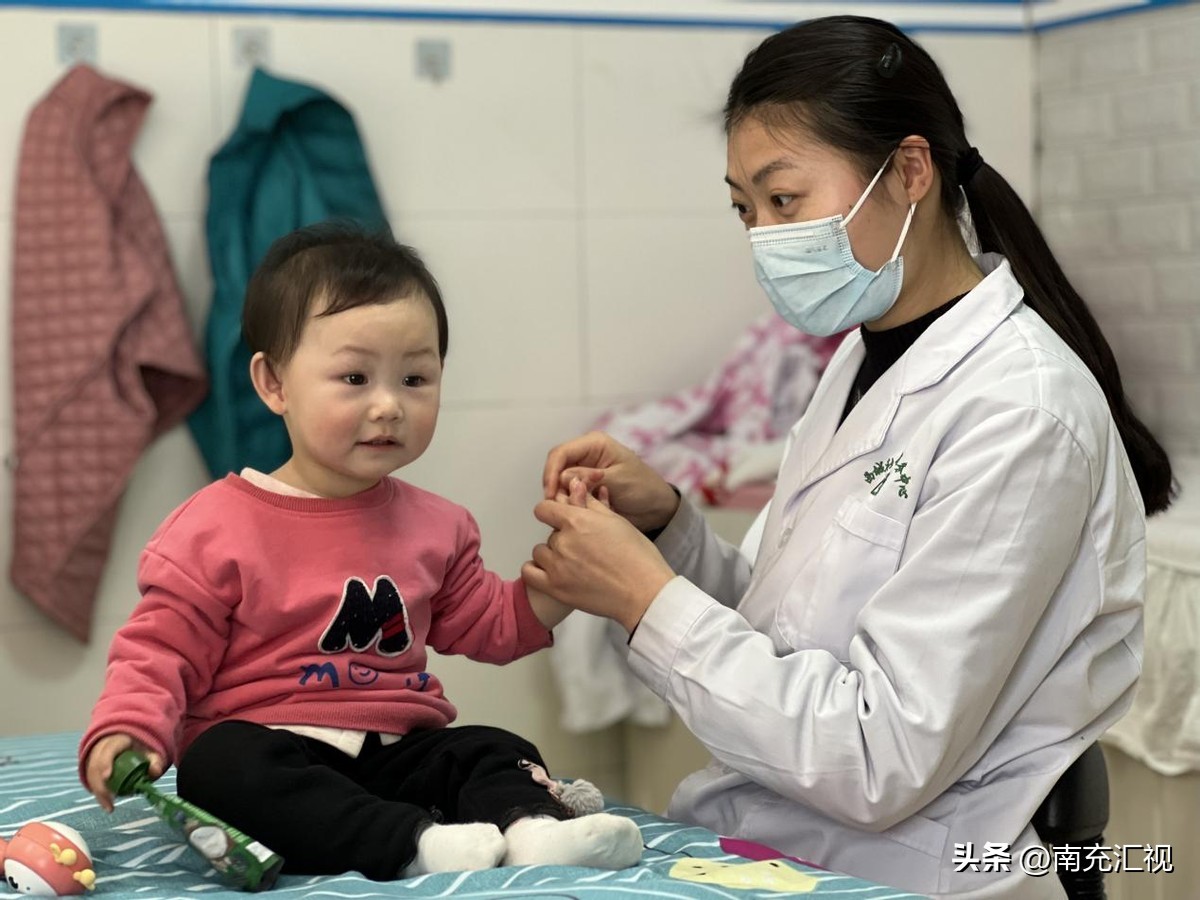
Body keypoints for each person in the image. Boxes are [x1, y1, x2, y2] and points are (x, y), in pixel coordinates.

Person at [523, 14, 1173, 900]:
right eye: (743, 209)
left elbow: (878, 758)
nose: (762, 237)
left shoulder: (1021, 409)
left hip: (928, 869)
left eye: (783, 201)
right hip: (791, 844)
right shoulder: (863, 363)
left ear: (910, 171)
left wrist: (647, 600)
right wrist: (669, 531)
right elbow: (786, 635)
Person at [78, 224, 642, 881]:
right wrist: (127, 729)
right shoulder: (212, 527)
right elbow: (160, 651)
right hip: (275, 751)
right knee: (214, 763)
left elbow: (489, 625)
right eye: (354, 377)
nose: (388, 405)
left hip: (396, 754)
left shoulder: (440, 524)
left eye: (414, 377)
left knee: (492, 747)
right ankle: (412, 847)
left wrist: (562, 576)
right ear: (274, 384)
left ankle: (535, 832)